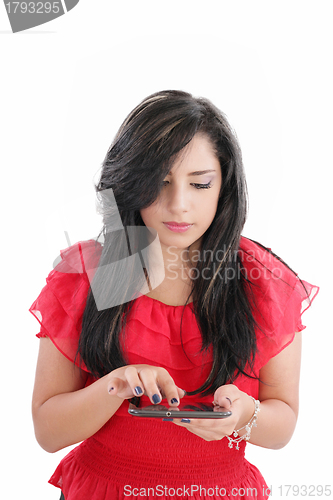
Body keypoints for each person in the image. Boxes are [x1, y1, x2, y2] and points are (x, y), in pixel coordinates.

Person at [30, 90, 318, 500]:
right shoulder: (85, 276)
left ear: (224, 186)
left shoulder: (264, 282)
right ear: (130, 183)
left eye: (200, 184)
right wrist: (118, 384)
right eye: (158, 183)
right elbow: (47, 431)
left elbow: (283, 424)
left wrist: (243, 414)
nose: (179, 205)